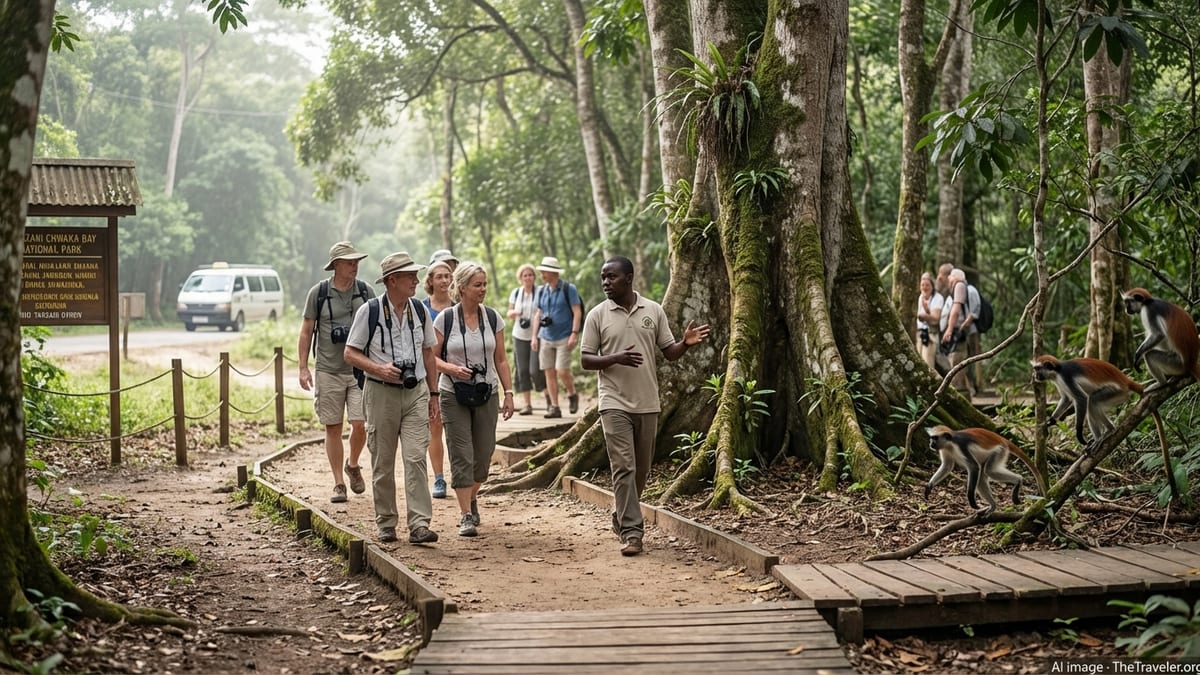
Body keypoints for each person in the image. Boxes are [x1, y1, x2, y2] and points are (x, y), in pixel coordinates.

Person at [580, 256, 710, 557]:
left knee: (640, 470)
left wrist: (686, 343)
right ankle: (632, 532)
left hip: (647, 403)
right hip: (613, 402)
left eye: (611, 277)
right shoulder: (597, 315)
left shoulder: (653, 311)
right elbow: (586, 360)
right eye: (603, 277)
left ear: (628, 278)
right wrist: (614, 358)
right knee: (623, 466)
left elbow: (670, 352)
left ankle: (622, 512)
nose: (605, 283)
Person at [343, 252, 441, 545]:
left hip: (415, 392)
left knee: (415, 459)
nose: (416, 280)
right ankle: (386, 522)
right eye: (410, 275)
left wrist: (433, 393)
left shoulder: (420, 311)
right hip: (379, 392)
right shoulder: (370, 311)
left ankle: (420, 524)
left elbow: (428, 353)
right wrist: (379, 368)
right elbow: (350, 352)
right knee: (383, 462)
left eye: (416, 274)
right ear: (392, 281)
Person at [433, 262, 516, 537]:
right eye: (478, 285)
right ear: (463, 287)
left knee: (482, 456)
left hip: (487, 392)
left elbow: (501, 359)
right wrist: (452, 369)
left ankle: (472, 495)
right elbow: (430, 358)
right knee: (461, 453)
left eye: (485, 284)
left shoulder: (493, 318)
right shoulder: (444, 319)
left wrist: (509, 393)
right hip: (452, 393)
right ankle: (465, 514)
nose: (483, 289)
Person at [297, 241, 374, 504]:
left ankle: (353, 464)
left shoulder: (366, 291)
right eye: (350, 262)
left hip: (359, 370)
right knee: (333, 426)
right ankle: (338, 483)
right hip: (328, 369)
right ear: (336, 266)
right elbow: (307, 330)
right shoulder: (318, 293)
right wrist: (303, 366)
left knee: (360, 423)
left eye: (356, 262)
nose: (355, 266)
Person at [530, 256, 582, 419]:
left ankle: (572, 394)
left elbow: (577, 312)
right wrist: (534, 337)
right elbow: (538, 314)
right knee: (549, 372)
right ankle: (555, 406)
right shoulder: (541, 290)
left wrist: (574, 333)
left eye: (544, 271)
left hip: (564, 336)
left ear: (553, 272)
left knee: (562, 371)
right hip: (545, 336)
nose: (542, 274)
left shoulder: (568, 288)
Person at [422, 260, 454, 499]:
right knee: (435, 427)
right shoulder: (421, 308)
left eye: (448, 276)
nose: (444, 280)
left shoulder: (460, 307)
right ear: (430, 281)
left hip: (456, 378)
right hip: (429, 377)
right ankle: (439, 477)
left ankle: (461, 476)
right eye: (439, 276)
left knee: (456, 430)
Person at [506, 263, 547, 415]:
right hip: (519, 335)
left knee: (535, 370)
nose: (528, 277)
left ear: (534, 277)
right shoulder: (516, 293)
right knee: (522, 370)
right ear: (520, 278)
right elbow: (509, 313)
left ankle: (549, 400)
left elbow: (544, 310)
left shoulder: (541, 292)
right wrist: (516, 312)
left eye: (530, 275)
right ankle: (527, 405)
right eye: (525, 275)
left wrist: (535, 336)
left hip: (537, 336)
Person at [939, 267, 978, 397]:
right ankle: (962, 393)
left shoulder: (959, 286)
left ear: (956, 277)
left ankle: (960, 395)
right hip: (959, 330)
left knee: (957, 363)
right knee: (956, 361)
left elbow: (955, 311)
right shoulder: (963, 287)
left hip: (958, 331)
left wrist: (949, 330)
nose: (949, 278)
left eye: (950, 276)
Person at [915, 271, 944, 372]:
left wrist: (926, 314)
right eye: (922, 285)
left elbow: (936, 318)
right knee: (919, 362)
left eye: (927, 285)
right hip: (920, 333)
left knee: (928, 364)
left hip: (931, 334)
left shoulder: (938, 298)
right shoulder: (920, 298)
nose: (924, 287)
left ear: (932, 286)